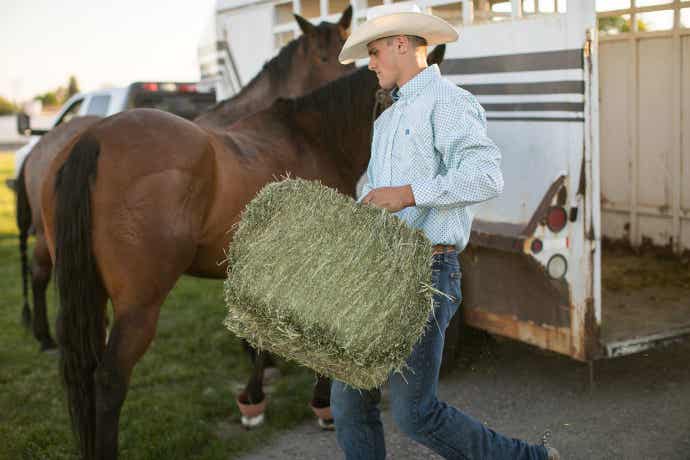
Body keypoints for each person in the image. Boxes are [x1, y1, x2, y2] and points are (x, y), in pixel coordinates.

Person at [331, 3, 560, 459]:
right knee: (349, 401)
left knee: (415, 413)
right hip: (379, 273)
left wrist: (410, 193)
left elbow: (486, 177)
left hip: (428, 272)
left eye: (374, 52)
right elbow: (376, 195)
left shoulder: (451, 103)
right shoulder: (386, 121)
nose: (370, 64)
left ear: (401, 44)